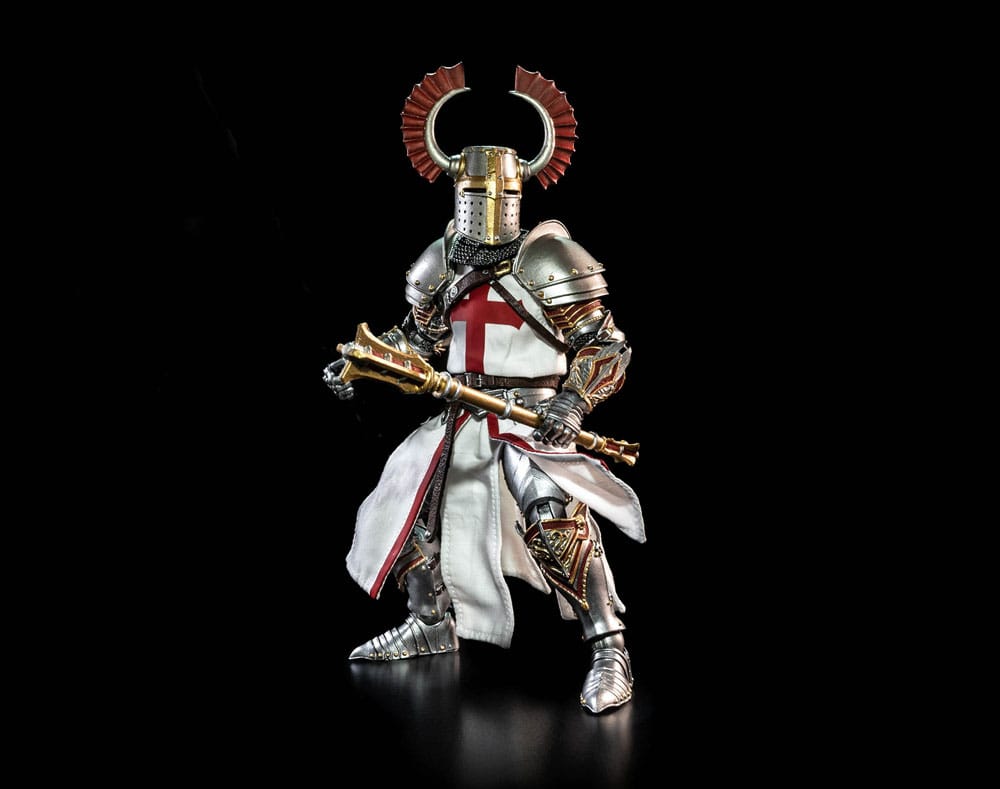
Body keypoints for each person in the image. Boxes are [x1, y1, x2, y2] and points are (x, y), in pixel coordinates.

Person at [324, 64, 645, 713]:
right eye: (473, 191)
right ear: (454, 186)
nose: (484, 204)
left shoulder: (548, 260)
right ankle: (430, 622)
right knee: (401, 506)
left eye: (495, 192)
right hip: (460, 415)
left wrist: (571, 401)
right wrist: (363, 363)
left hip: (530, 417)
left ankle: (609, 646)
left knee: (554, 517)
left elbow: (606, 345)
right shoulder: (440, 262)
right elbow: (417, 343)